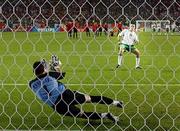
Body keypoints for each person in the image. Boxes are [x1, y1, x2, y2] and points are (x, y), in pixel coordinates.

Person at [29, 55, 123, 122]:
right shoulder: (50, 75)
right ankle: (116, 102)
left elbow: (41, 78)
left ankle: (105, 115)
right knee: (90, 98)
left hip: (57, 105)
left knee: (82, 114)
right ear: (44, 70)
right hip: (66, 94)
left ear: (34, 72)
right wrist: (56, 66)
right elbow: (60, 75)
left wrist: (47, 69)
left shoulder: (31, 84)